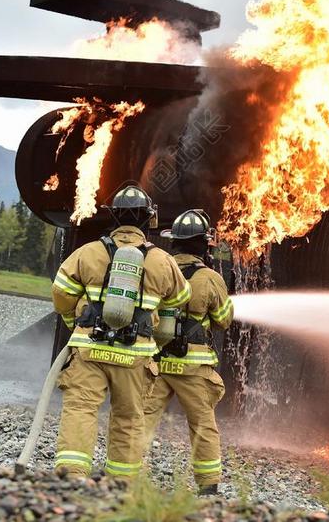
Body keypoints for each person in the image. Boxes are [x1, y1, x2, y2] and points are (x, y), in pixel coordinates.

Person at [51, 185, 191, 479]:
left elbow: (61, 292)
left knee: (81, 408)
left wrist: (72, 322)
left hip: (89, 348)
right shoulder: (162, 261)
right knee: (129, 417)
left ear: (112, 217)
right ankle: (121, 484)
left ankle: (71, 476)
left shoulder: (88, 253)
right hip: (135, 355)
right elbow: (181, 298)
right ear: (148, 220)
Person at [143, 209, 233, 495]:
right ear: (203, 245)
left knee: (140, 416)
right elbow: (222, 320)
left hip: (156, 360)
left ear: (175, 242)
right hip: (192, 367)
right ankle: (208, 486)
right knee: (203, 424)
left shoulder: (158, 267)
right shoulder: (210, 278)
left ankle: (123, 470)